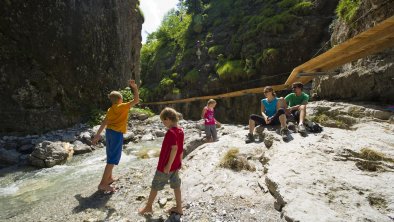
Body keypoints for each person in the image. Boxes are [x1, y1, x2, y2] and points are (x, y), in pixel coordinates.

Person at [92, 80, 139, 193]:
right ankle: (103, 184)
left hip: (109, 133)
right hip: (117, 134)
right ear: (120, 99)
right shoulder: (122, 106)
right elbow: (136, 100)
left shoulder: (110, 109)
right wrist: (135, 88)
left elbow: (104, 122)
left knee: (110, 155)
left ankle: (109, 178)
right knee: (113, 159)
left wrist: (97, 135)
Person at [139, 107, 184, 216]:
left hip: (166, 166)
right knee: (176, 185)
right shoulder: (180, 131)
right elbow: (181, 148)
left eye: (163, 121)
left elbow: (175, 148)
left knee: (155, 185)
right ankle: (179, 207)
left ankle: (148, 207)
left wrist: (168, 165)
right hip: (175, 165)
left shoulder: (171, 133)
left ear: (168, 119)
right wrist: (180, 162)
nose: (163, 123)